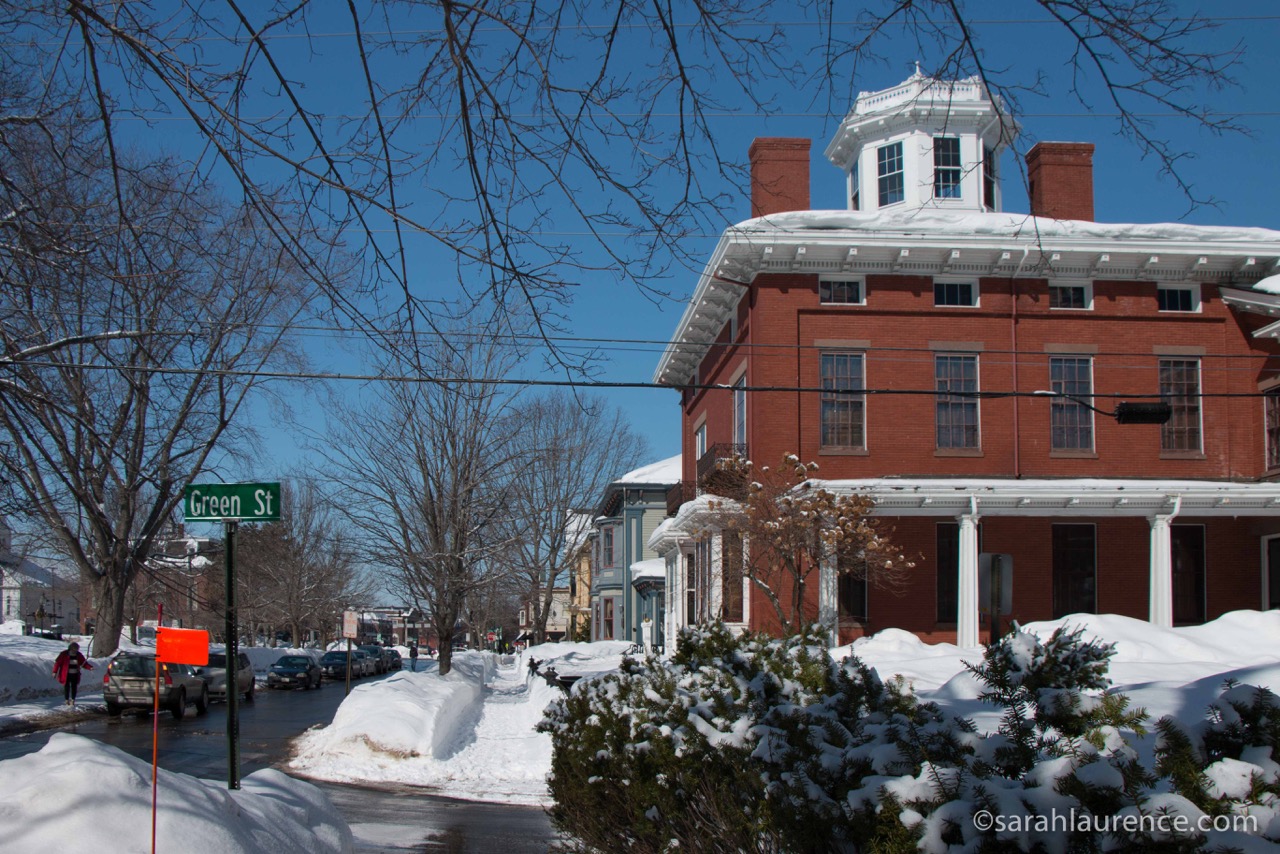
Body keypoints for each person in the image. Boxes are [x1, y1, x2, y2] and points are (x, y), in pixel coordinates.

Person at [53, 641, 93, 708]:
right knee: (67, 686)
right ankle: (66, 699)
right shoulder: (64, 654)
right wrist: (55, 672)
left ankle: (73, 699)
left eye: (77, 649)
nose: (75, 651)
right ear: (70, 648)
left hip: (75, 674)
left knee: (74, 687)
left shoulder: (78, 655)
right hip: (66, 674)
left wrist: (90, 668)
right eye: (74, 649)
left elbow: (83, 663)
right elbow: (57, 663)